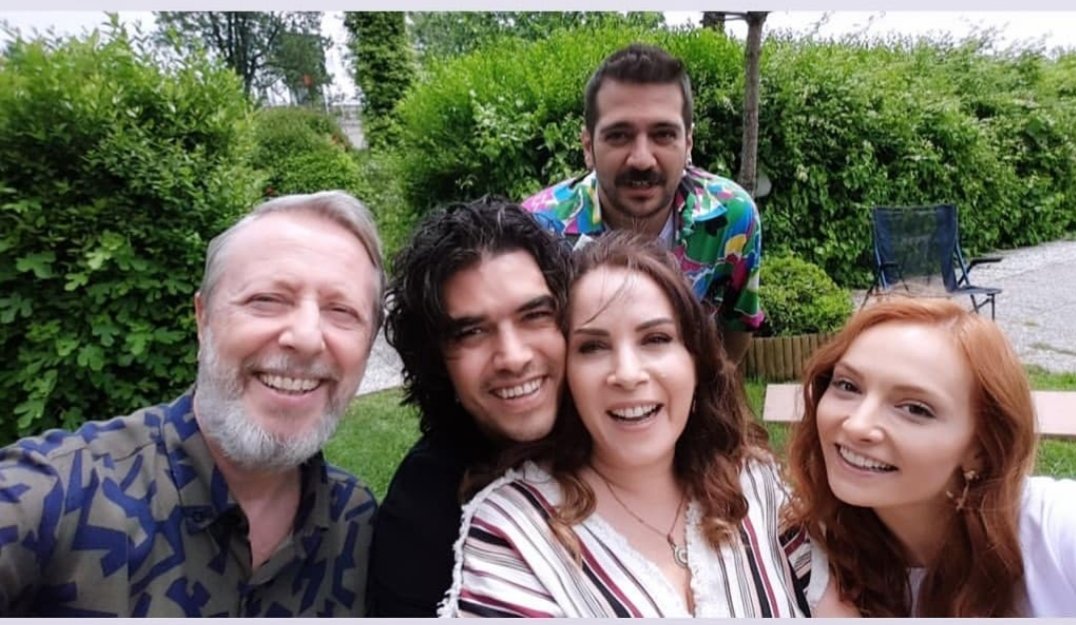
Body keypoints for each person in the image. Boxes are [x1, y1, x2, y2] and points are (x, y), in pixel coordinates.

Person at [0, 191, 385, 616]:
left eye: (342, 311)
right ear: (203, 319)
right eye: (266, 300)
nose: (307, 337)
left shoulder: (356, 521)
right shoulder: (54, 500)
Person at [439, 232, 810, 617]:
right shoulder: (514, 533)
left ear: (696, 361)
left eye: (655, 339)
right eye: (593, 347)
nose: (628, 374)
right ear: (568, 377)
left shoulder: (756, 485)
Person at [786, 298, 1076, 617]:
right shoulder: (802, 551)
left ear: (980, 450)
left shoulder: (1059, 532)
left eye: (915, 409)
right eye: (847, 385)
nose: (857, 425)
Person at [366, 197, 572, 616]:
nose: (513, 357)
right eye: (472, 332)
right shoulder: (422, 519)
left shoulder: (626, 440)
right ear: (436, 359)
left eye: (535, 315)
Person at [522, 43, 762, 362]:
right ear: (588, 147)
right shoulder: (537, 230)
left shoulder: (733, 218)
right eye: (619, 136)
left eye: (663, 135)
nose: (642, 159)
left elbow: (737, 326)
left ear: (688, 143)